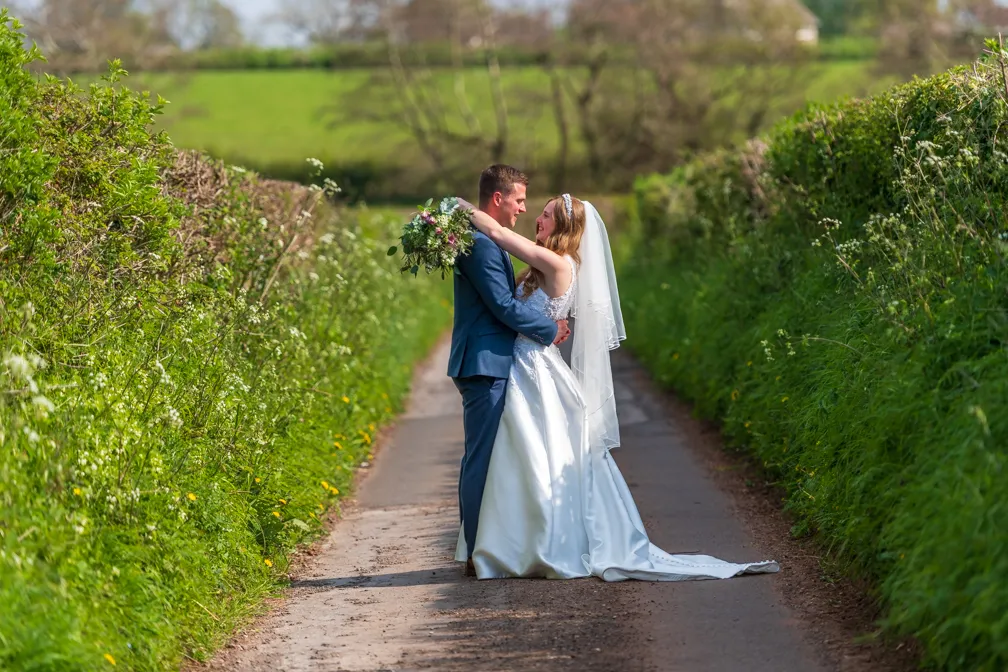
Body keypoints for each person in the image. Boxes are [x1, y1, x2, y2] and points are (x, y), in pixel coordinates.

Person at [453, 190, 780, 581]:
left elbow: (503, 237)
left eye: (545, 215)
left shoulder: (559, 264)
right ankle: (511, 540)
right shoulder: (544, 266)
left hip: (534, 368)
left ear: (564, 227)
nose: (535, 219)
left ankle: (536, 542)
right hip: (522, 365)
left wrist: (459, 210)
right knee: (523, 458)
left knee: (537, 456)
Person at [448, 165, 571, 577]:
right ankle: (475, 551)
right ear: (498, 199)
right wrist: (549, 329)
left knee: (491, 457)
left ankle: (488, 543)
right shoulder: (483, 245)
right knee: (480, 459)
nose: (524, 208)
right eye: (519, 200)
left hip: (494, 361)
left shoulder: (490, 241)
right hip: (485, 362)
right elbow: (503, 307)